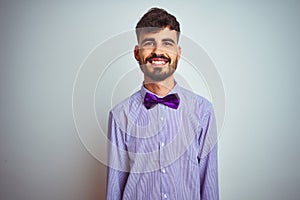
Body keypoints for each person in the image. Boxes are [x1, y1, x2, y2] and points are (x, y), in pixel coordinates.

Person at [106, 7, 219, 200]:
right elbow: (114, 188)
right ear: (136, 53)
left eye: (167, 43)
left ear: (178, 52)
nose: (158, 51)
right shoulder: (119, 115)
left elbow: (209, 184)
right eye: (149, 43)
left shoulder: (203, 111)